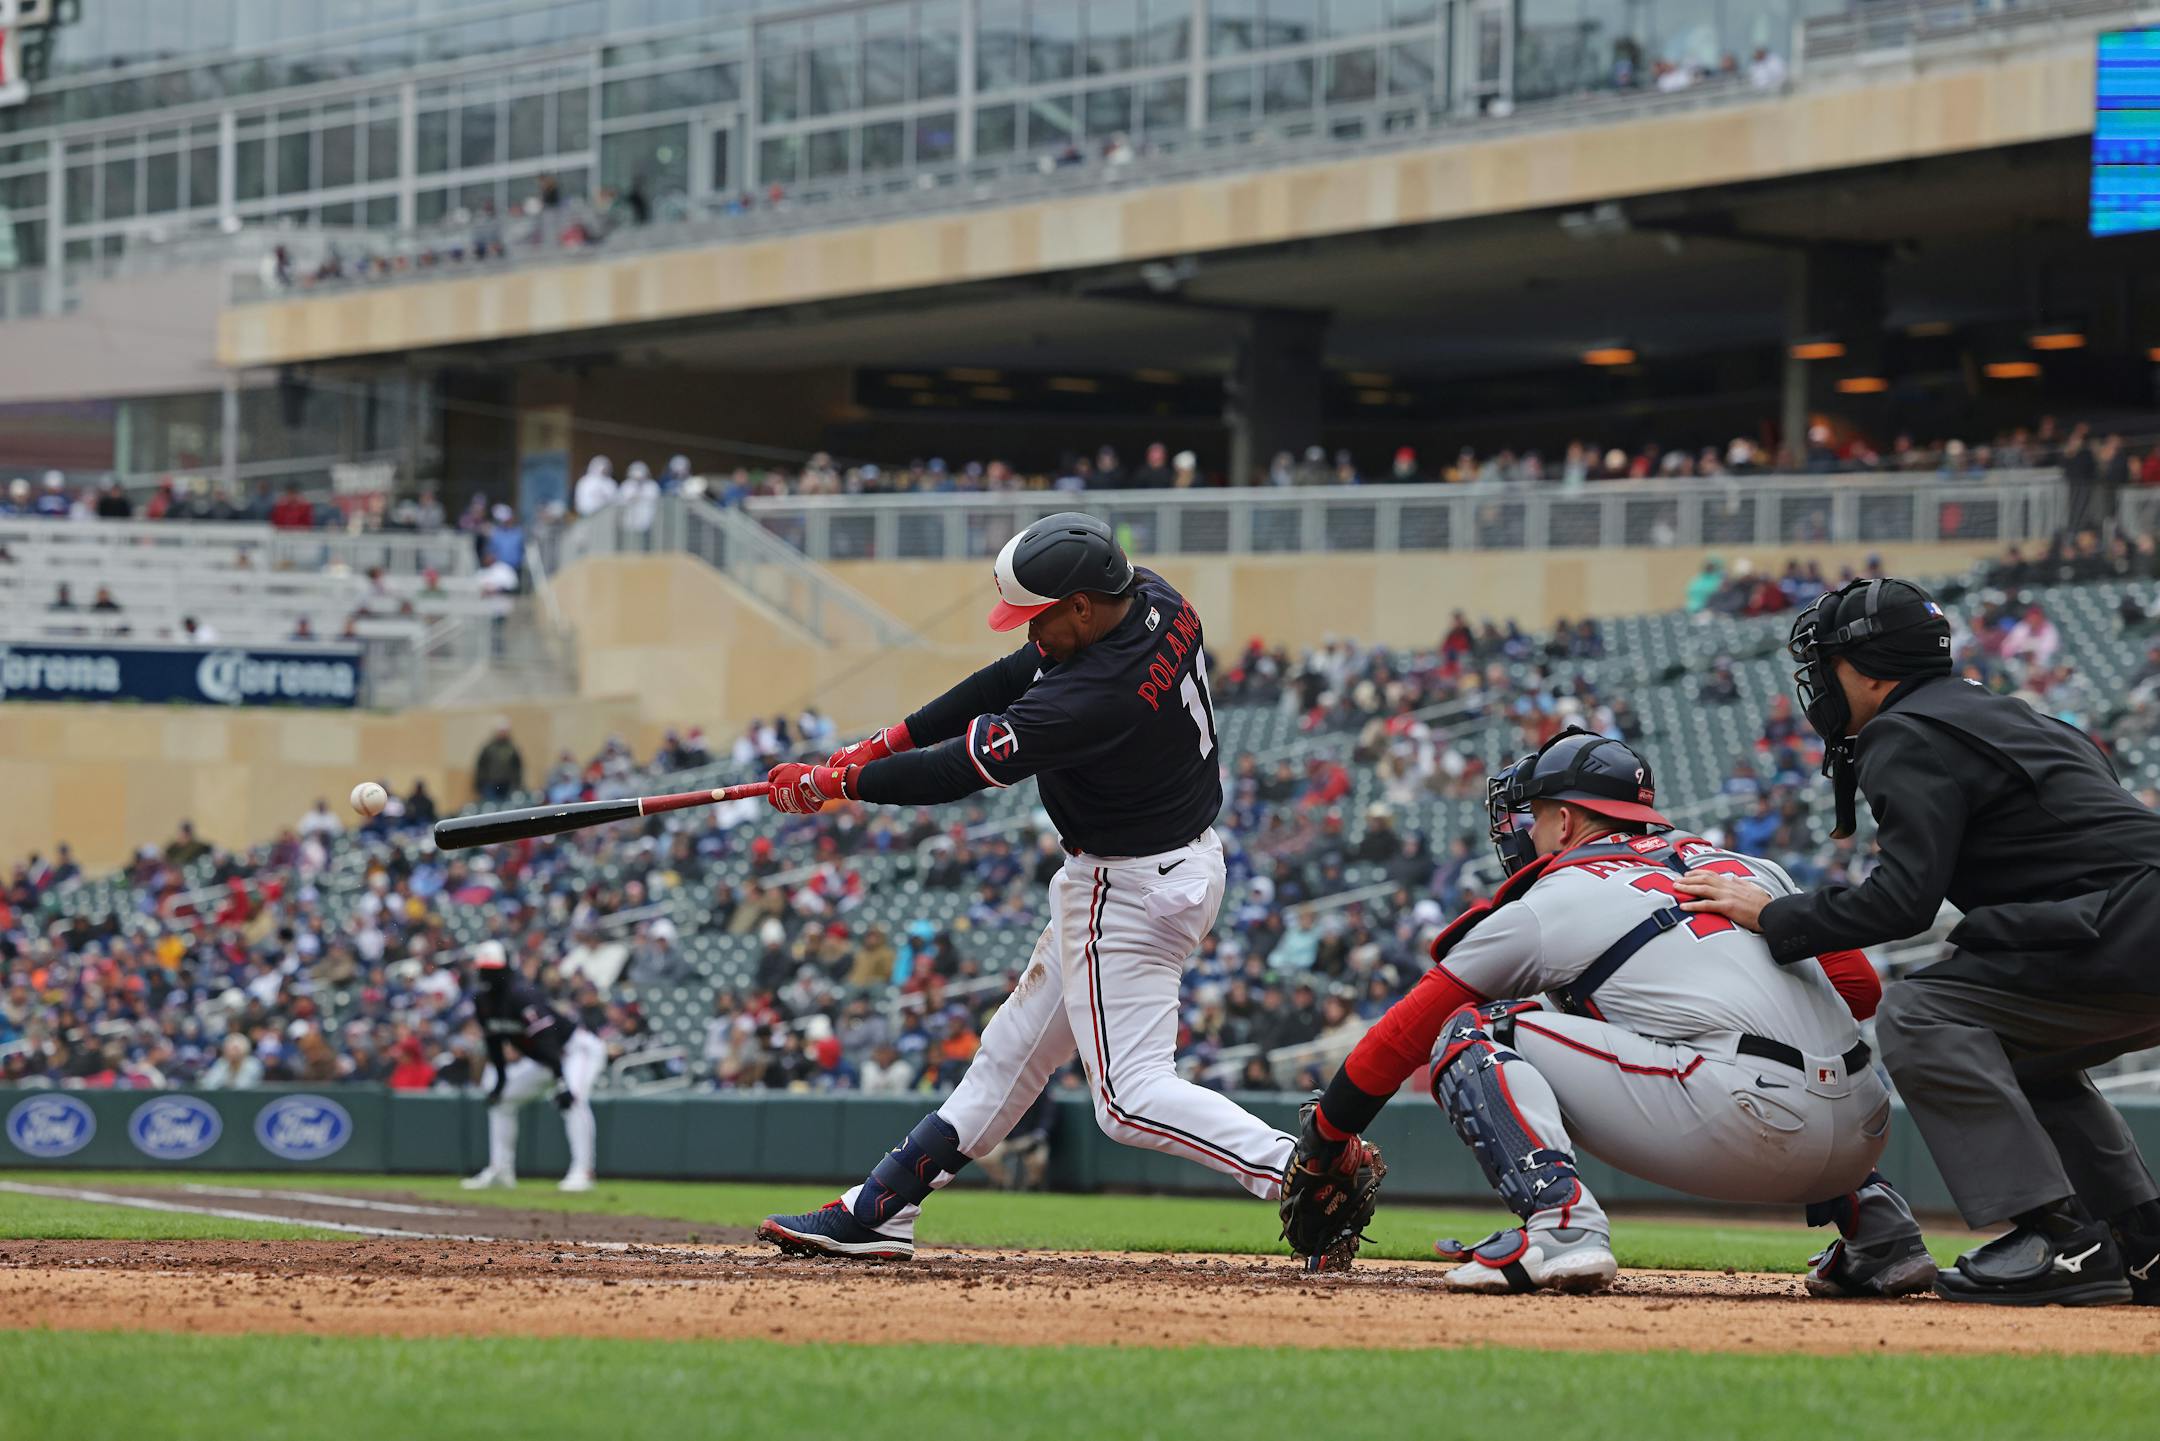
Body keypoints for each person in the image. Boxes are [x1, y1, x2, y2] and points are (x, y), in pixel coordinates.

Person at [759, 512, 1305, 1259]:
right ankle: (879, 1206)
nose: (1027, 633)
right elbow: (1007, 677)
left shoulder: (1095, 695)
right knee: (1009, 1055)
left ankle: (1300, 1172)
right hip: (1166, 861)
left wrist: (841, 782)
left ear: (1081, 604)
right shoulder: (1156, 598)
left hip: (1128, 885)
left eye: (1037, 618)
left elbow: (957, 770)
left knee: (1127, 1097)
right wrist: (876, 745)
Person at [1288, 727, 1933, 1296]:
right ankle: (1881, 1231)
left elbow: (1410, 1030)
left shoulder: (1557, 895)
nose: (1525, 831)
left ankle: (1561, 1228)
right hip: (1864, 1127)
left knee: (1475, 1028)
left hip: (1749, 1123)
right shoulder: (1743, 866)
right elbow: (1858, 990)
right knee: (1774, 1033)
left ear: (1566, 823)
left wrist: (1325, 1140)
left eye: (1535, 815)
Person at [1678, 578, 2160, 1307]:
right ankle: (2141, 1243)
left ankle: (2058, 1237)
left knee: (1922, 1011)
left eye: (1828, 664)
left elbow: (1905, 899)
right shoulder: (2012, 715)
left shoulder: (1903, 729)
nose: (1819, 683)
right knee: (2020, 1046)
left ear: (1870, 670)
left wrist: (1775, 914)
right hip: (2131, 924)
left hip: (2128, 925)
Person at [462, 940, 606, 1192]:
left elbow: (547, 1037)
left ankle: (583, 1172)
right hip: (544, 1059)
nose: (487, 975)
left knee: (574, 1098)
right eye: (483, 969)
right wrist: (501, 1082)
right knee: (502, 1100)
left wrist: (561, 1080)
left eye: (492, 969)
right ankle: (500, 1170)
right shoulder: (482, 1000)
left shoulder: (522, 994)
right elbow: (494, 1042)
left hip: (574, 1049)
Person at [473, 722, 524, 804]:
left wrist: (517, 784)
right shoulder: (488, 748)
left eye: (504, 731)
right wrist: (480, 784)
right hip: (490, 785)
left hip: (507, 785)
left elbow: (518, 768)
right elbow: (481, 766)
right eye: (501, 731)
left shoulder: (512, 748)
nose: (502, 734)